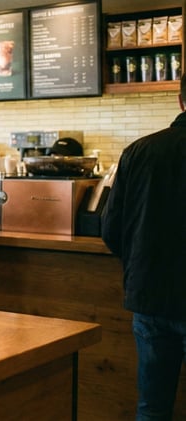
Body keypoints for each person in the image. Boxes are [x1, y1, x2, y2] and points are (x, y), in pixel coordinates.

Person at [101, 77, 186, 421]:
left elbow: (110, 228)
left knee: (152, 408)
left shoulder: (139, 151)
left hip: (151, 297)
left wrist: (141, 260)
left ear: (180, 102)